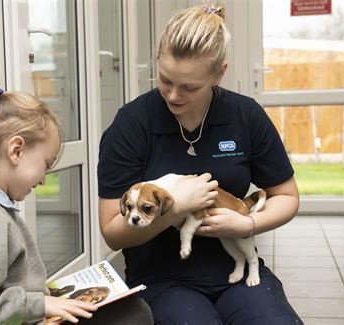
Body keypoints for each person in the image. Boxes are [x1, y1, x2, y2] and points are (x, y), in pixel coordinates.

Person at [98, 4, 302, 325]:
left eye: (189, 87)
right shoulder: (131, 125)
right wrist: (177, 208)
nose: (173, 95)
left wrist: (247, 225)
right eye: (165, 80)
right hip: (163, 278)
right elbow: (113, 232)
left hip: (232, 268)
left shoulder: (245, 116)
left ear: (220, 72)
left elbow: (287, 197)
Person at [0, 81, 152, 324]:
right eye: (45, 164)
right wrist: (40, 305)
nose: (43, 179)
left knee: (127, 309)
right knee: (132, 314)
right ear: (16, 150)